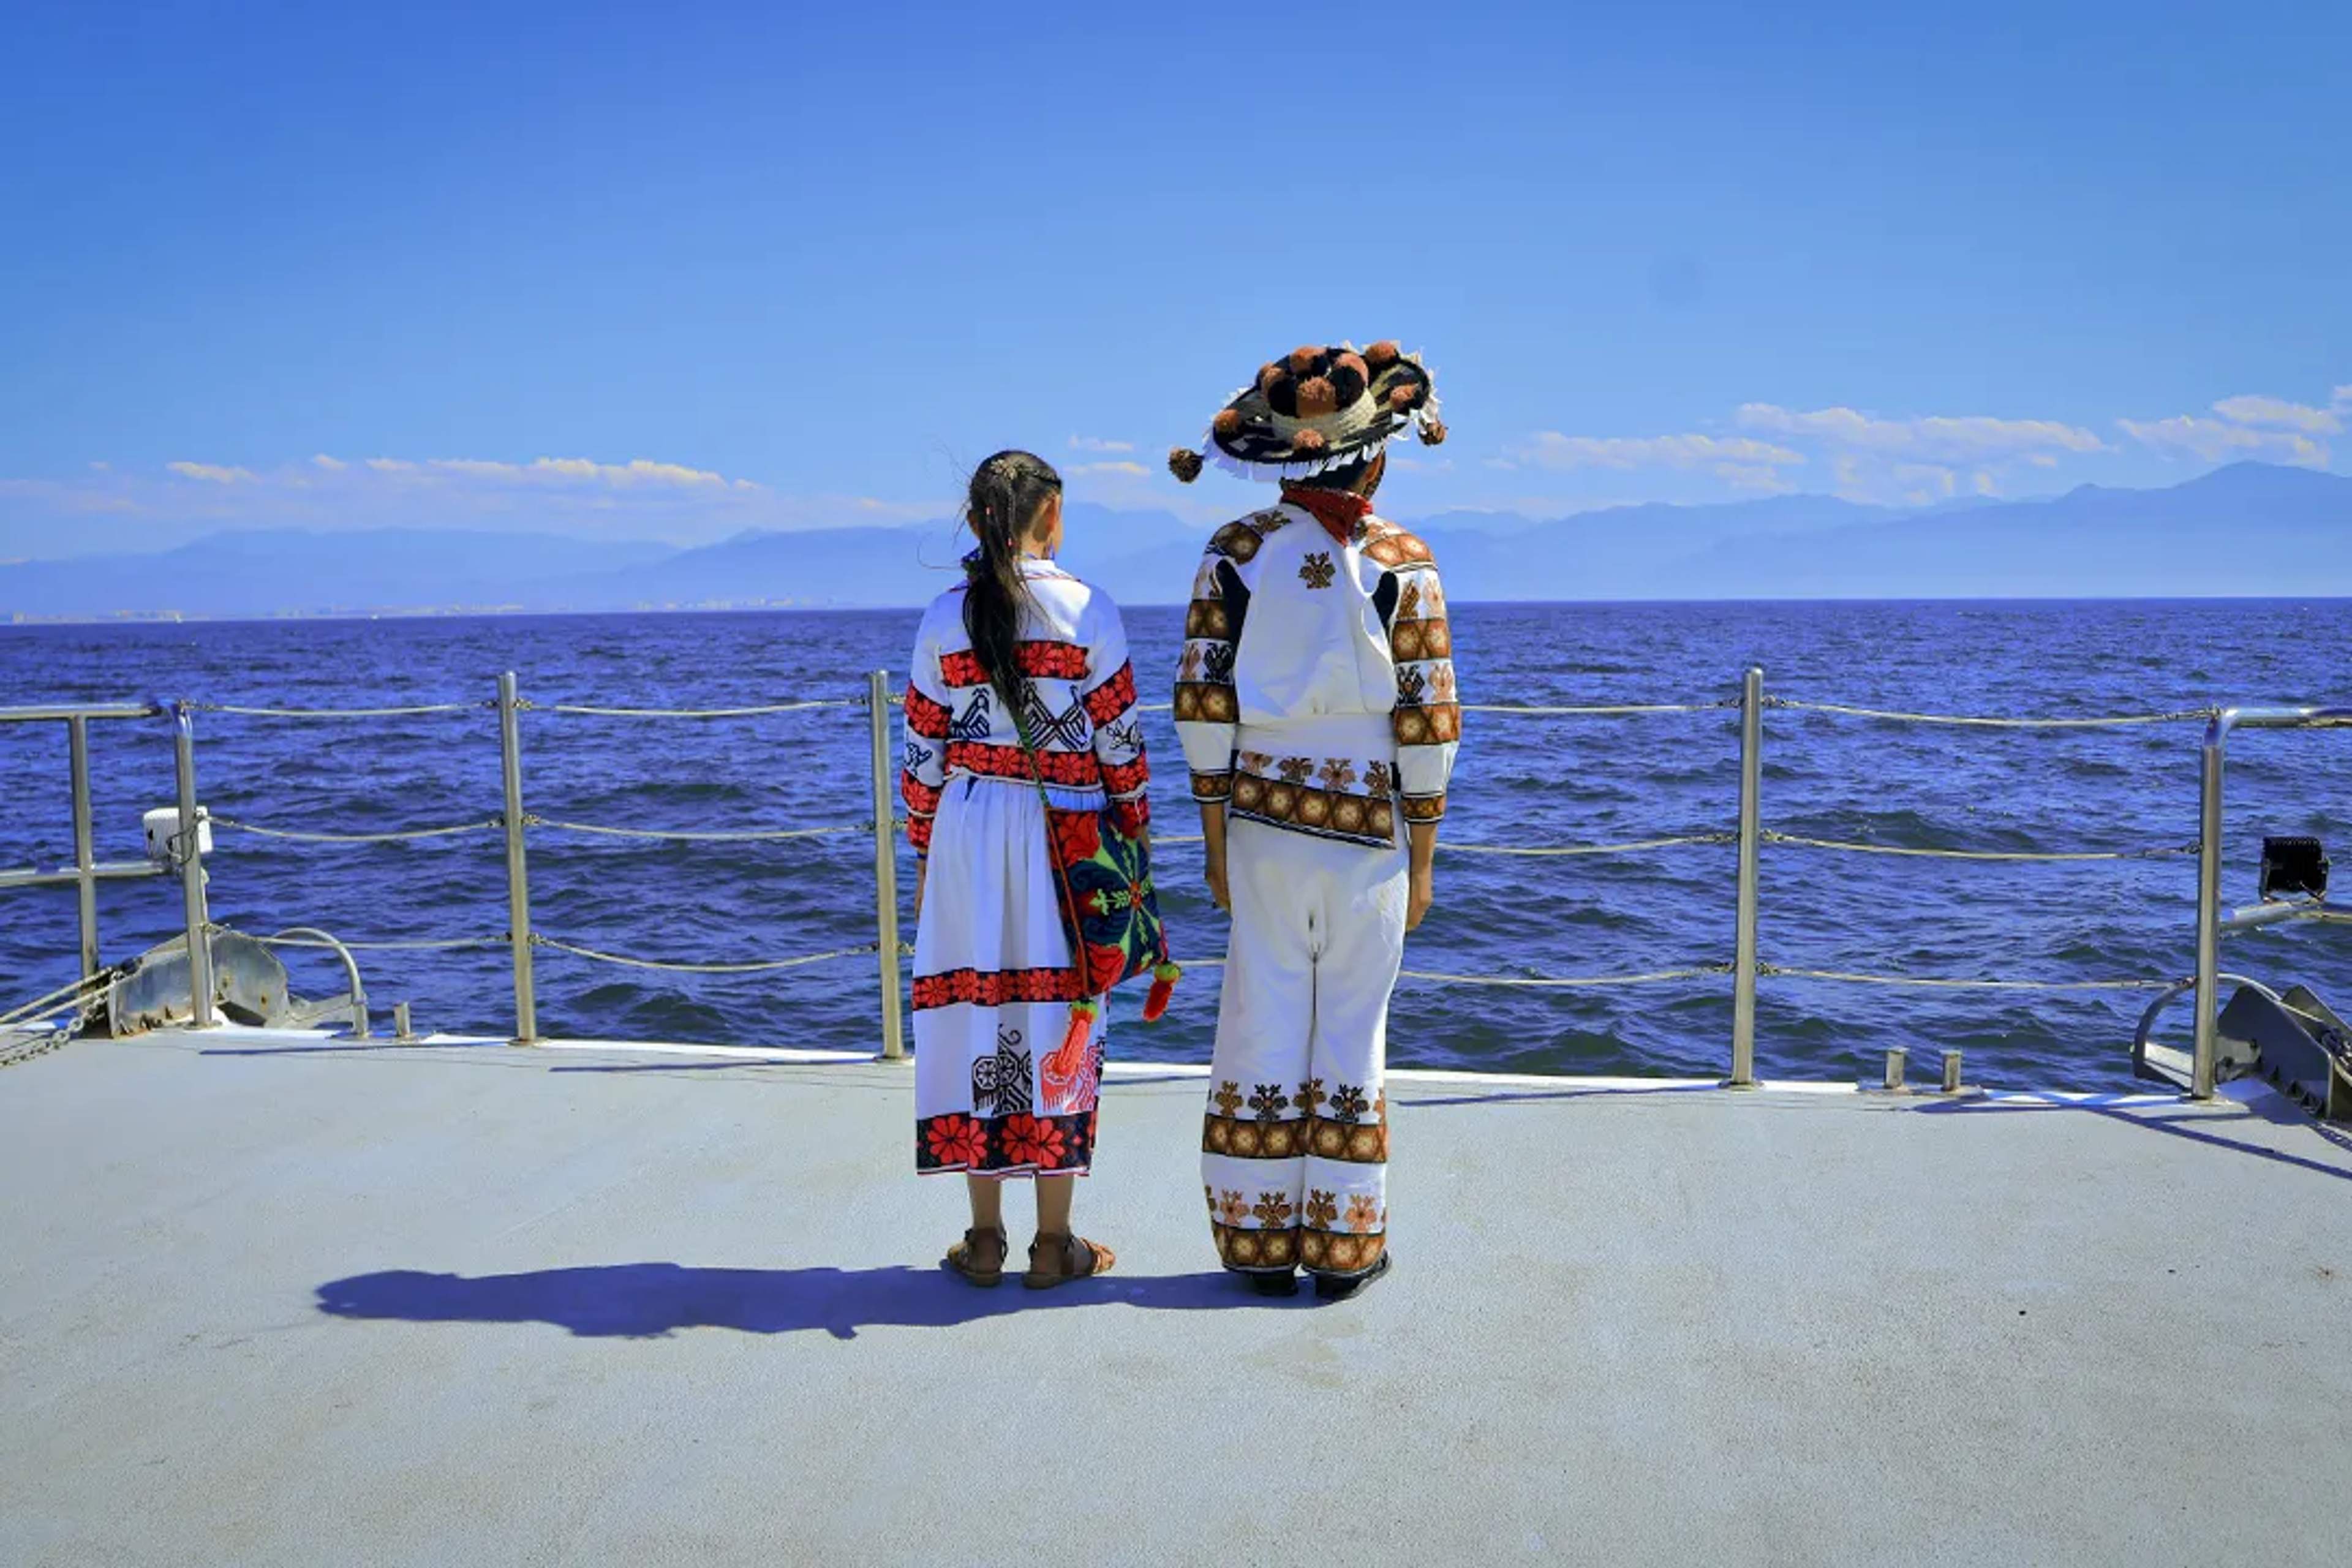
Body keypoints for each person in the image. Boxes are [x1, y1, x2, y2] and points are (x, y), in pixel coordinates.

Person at [1166, 342, 1458, 1300]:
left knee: (1260, 1019)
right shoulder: (1403, 562)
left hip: (1259, 818)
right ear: (1372, 458)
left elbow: (1203, 704)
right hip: (1369, 828)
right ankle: (1342, 1250)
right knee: (1353, 1031)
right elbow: (1428, 718)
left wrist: (1213, 839)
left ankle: (1256, 1248)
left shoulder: (1234, 551)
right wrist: (1422, 858)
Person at [902, 450, 1152, 1289]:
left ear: (977, 524)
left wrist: (927, 844)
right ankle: (1054, 1245)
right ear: (1051, 514)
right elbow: (1120, 746)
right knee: (1061, 1023)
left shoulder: (943, 618)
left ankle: (981, 1240)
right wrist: (1135, 845)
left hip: (970, 832)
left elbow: (922, 755)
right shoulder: (1090, 610)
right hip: (1063, 836)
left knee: (977, 1017)